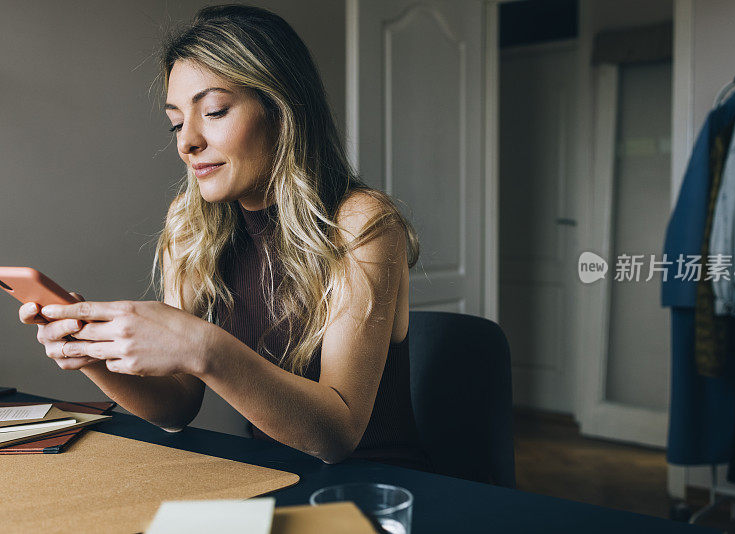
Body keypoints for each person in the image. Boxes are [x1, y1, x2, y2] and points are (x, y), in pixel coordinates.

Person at [18, 4, 430, 470]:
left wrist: (204, 346)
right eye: (176, 122)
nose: (185, 142)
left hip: (383, 489)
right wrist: (91, 353)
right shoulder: (192, 224)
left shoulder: (362, 223)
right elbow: (176, 407)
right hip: (268, 479)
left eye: (213, 111)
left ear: (281, 108)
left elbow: (337, 436)